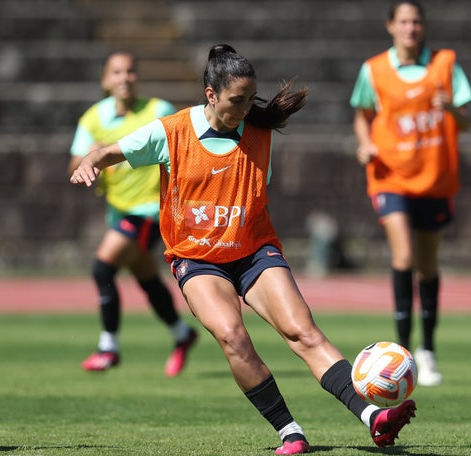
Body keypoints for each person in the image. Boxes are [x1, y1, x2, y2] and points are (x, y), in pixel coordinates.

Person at [70, 44, 416, 455]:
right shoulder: (171, 132)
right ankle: (290, 432)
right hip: (196, 259)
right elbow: (107, 151)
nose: (246, 108)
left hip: (254, 252)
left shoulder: (259, 131)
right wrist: (89, 162)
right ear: (210, 94)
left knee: (303, 332)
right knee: (234, 337)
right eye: (237, 100)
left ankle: (373, 418)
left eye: (252, 100)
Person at [349, 0, 471, 386]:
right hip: (391, 177)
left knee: (427, 266)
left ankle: (429, 349)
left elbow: (466, 122)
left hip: (434, 179)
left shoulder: (445, 64)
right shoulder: (373, 70)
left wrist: (450, 109)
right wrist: (365, 143)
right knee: (403, 255)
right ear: (391, 26)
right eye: (403, 21)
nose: (410, 27)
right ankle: (403, 352)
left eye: (416, 21)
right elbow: (362, 114)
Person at [68, 51, 198, 376]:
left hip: (152, 211)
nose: (124, 77)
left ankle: (108, 347)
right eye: (117, 72)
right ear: (105, 80)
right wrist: (92, 153)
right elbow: (73, 165)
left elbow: (188, 146)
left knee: (102, 267)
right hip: (119, 211)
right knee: (146, 277)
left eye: (130, 71)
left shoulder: (159, 111)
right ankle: (182, 335)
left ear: (137, 76)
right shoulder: (94, 118)